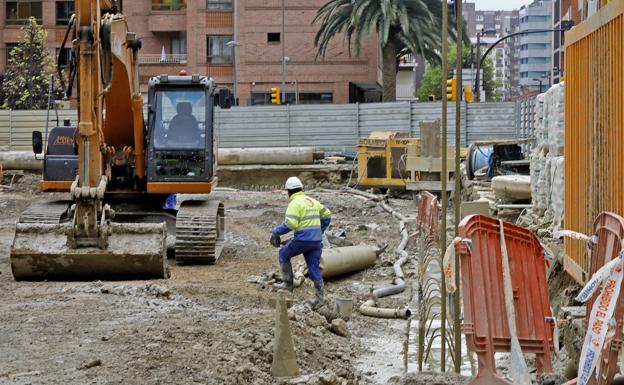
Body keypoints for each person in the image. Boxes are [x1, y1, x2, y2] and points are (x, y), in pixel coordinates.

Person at [271, 176, 331, 309]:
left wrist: (276, 232)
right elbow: (327, 215)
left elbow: (291, 224)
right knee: (313, 267)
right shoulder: (312, 201)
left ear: (289, 192)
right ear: (301, 189)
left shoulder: (294, 203)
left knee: (283, 254)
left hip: (303, 240)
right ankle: (320, 298)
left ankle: (288, 284)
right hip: (315, 242)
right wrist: (320, 231)